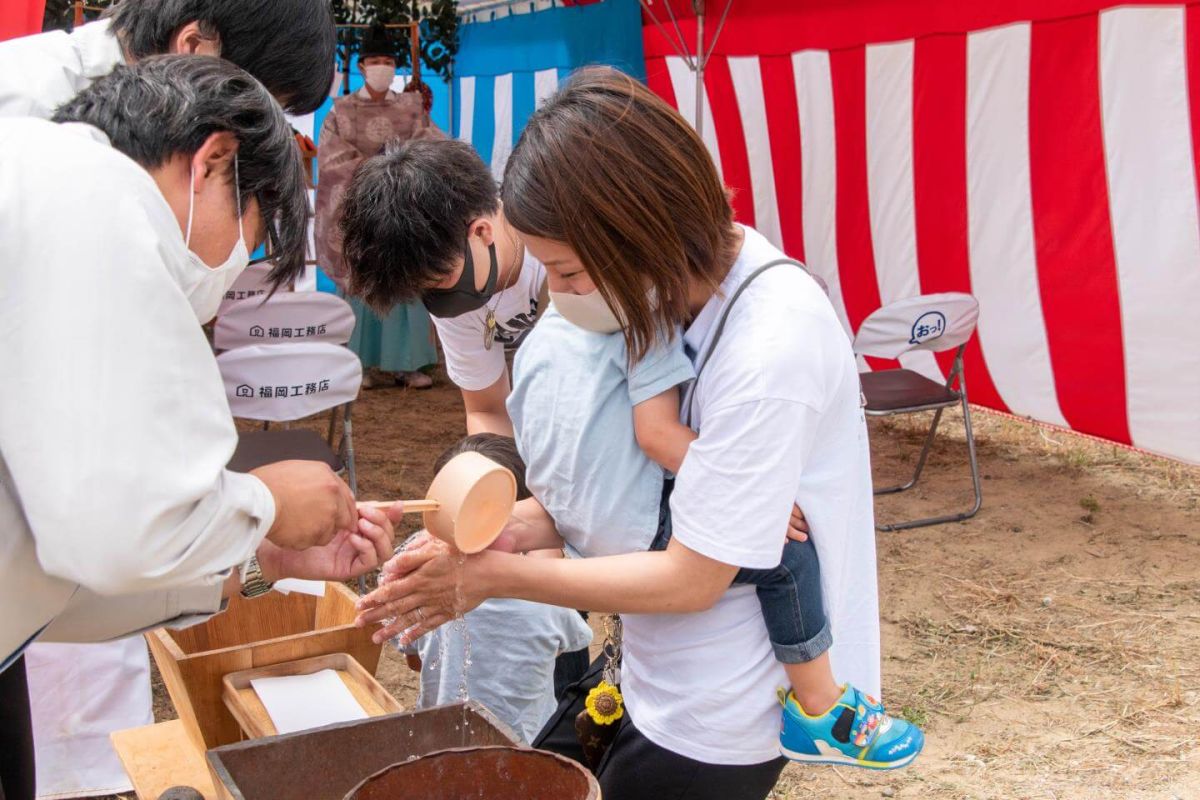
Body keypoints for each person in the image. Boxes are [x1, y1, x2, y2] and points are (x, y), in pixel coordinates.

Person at [356, 68, 920, 799]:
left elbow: (692, 576)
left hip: (716, 713)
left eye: (565, 272)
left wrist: (494, 575)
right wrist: (487, 532)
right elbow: (613, 495)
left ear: (635, 231)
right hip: (646, 668)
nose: (555, 297)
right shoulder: (649, 301)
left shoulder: (769, 346)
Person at [0, 56, 401, 800]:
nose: (234, 261)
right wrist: (263, 504)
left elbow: (40, 578)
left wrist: (260, 557)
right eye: (250, 230)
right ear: (214, 158)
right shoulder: (90, 192)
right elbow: (120, 531)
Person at [338, 139, 547, 433]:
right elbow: (487, 411)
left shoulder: (554, 242)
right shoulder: (449, 278)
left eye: (439, 281)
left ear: (481, 232)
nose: (438, 303)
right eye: (422, 290)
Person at [399, 434, 593, 744]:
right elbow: (569, 647)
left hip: (437, 739)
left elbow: (413, 659)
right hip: (527, 744)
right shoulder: (550, 602)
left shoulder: (420, 588)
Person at [314, 24, 439, 390]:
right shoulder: (343, 110)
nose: (381, 66)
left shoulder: (409, 107)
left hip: (400, 205)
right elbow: (331, 156)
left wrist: (402, 170)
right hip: (361, 208)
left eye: (387, 61)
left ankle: (408, 363)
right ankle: (360, 363)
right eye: (375, 60)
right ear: (363, 65)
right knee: (361, 283)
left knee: (405, 283)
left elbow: (430, 144)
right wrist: (376, 170)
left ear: (394, 66)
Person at [0, 0, 336, 120]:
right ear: (192, 47)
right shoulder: (18, 105)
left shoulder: (159, 124)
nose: (252, 136)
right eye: (250, 113)